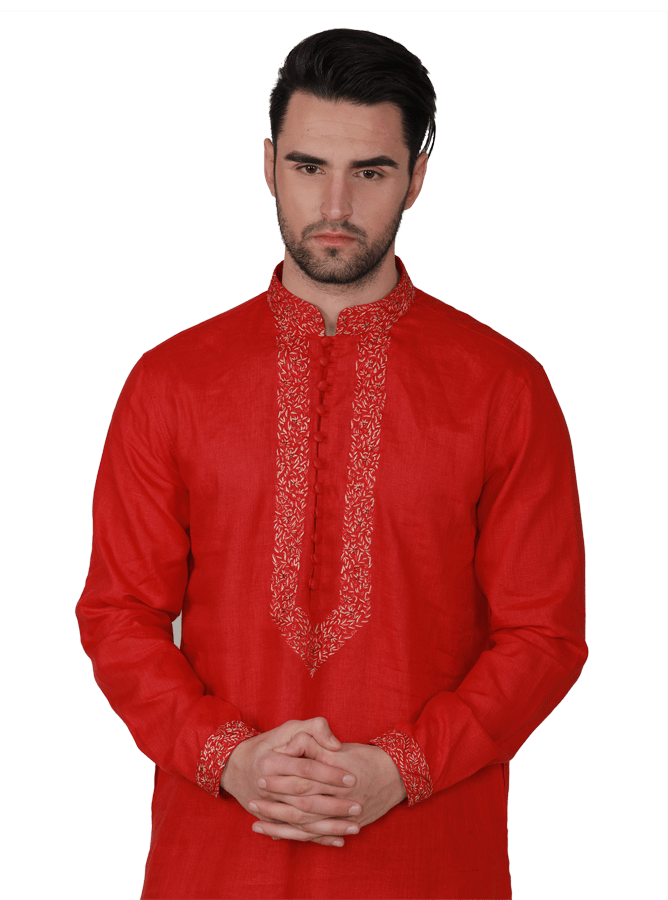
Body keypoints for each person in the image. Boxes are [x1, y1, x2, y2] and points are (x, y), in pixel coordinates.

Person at [75, 27, 588, 900]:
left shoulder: (501, 386)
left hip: (427, 863)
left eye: (371, 171)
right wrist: (228, 757)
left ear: (416, 176)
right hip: (219, 861)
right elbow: (119, 615)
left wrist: (403, 767)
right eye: (309, 166)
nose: (336, 202)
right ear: (268, 164)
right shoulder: (173, 381)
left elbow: (543, 636)